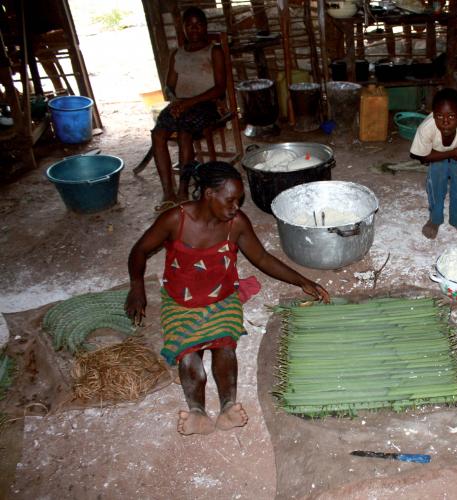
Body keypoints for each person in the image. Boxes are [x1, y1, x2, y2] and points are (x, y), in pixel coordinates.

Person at [125, 161, 330, 435]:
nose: (236, 207)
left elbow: (261, 258)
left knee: (224, 347)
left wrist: (303, 281)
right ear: (209, 194)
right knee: (188, 354)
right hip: (180, 301)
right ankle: (197, 410)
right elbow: (139, 251)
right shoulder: (176, 219)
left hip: (222, 299)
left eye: (239, 200)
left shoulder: (236, 224)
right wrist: (136, 287)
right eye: (230, 200)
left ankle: (227, 406)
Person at [151, 6, 225, 212]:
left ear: (205, 26)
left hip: (205, 104)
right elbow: (169, 86)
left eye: (198, 24)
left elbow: (220, 87)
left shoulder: (214, 50)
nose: (194, 29)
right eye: (189, 25)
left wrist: (189, 102)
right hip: (181, 104)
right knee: (158, 135)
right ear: (183, 28)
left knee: (185, 133)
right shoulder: (177, 54)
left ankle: (183, 190)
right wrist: (176, 102)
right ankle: (168, 191)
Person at [410, 88, 457, 239]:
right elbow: (423, 158)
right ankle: (435, 219)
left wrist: (452, 156)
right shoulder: (426, 128)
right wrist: (452, 153)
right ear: (433, 114)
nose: (445, 122)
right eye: (439, 116)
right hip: (448, 153)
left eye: (451, 116)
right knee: (437, 176)